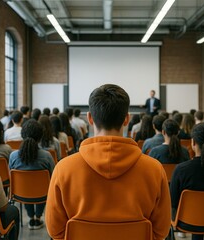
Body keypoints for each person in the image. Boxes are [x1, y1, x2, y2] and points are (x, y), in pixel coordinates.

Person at [46, 84, 171, 240]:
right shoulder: (154, 169)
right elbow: (161, 231)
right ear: (127, 119)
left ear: (90, 118)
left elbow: (55, 230)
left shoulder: (63, 169)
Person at [9, 119, 55, 230]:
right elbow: (52, 176)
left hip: (21, 194)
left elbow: (11, 176)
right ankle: (38, 217)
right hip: (43, 194)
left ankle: (31, 216)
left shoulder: (13, 156)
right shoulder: (47, 156)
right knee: (41, 186)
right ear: (40, 137)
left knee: (26, 185)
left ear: (22, 135)